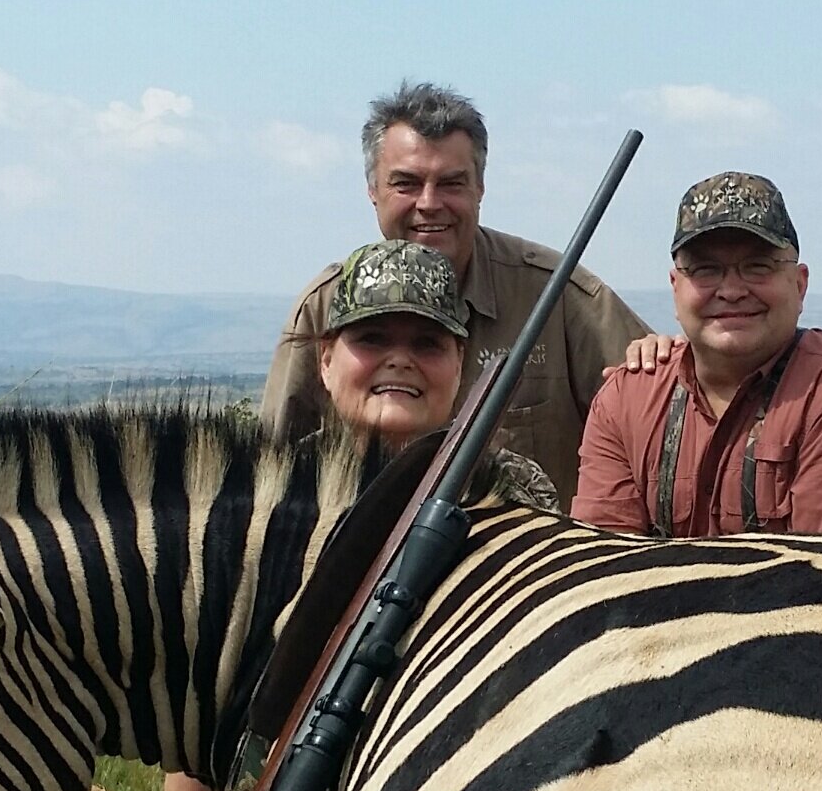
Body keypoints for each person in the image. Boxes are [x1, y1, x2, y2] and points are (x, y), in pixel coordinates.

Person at [27, 242, 549, 791]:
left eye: (427, 342)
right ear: (327, 360)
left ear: (460, 363)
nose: (399, 359)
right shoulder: (261, 506)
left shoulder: (516, 498)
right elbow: (203, 711)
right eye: (373, 339)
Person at [261, 81, 655, 507]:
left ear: (479, 189)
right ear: (372, 191)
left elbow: (659, 416)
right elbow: (267, 474)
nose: (429, 203)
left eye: (451, 183)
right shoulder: (324, 305)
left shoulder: (557, 295)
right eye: (406, 183)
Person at [573, 171, 822, 540]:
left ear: (800, 285)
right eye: (706, 270)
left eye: (758, 267)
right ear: (676, 288)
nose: (731, 290)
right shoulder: (625, 400)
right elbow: (602, 570)